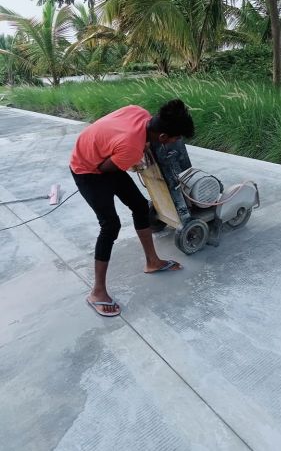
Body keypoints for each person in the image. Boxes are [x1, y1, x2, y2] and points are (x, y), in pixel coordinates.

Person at [70, 99, 194, 317]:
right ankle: (97, 292)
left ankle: (152, 262)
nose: (175, 142)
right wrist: (130, 156)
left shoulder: (138, 112)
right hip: (87, 169)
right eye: (175, 139)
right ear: (163, 137)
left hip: (103, 158)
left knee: (139, 206)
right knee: (110, 225)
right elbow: (105, 169)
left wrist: (128, 153)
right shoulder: (131, 147)